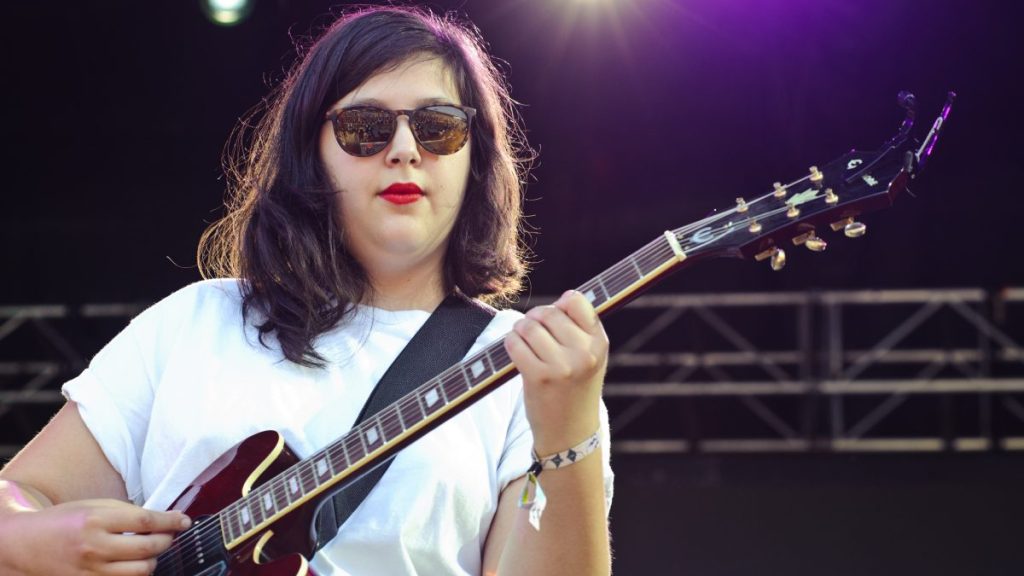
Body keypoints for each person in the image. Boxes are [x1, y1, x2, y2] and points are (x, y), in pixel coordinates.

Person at [0, 5, 613, 576]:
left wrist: (568, 436)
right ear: (310, 153)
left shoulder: (525, 365)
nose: (404, 150)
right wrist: (39, 538)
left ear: (473, 158)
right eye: (365, 127)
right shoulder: (197, 321)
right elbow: (18, 499)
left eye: (438, 128)